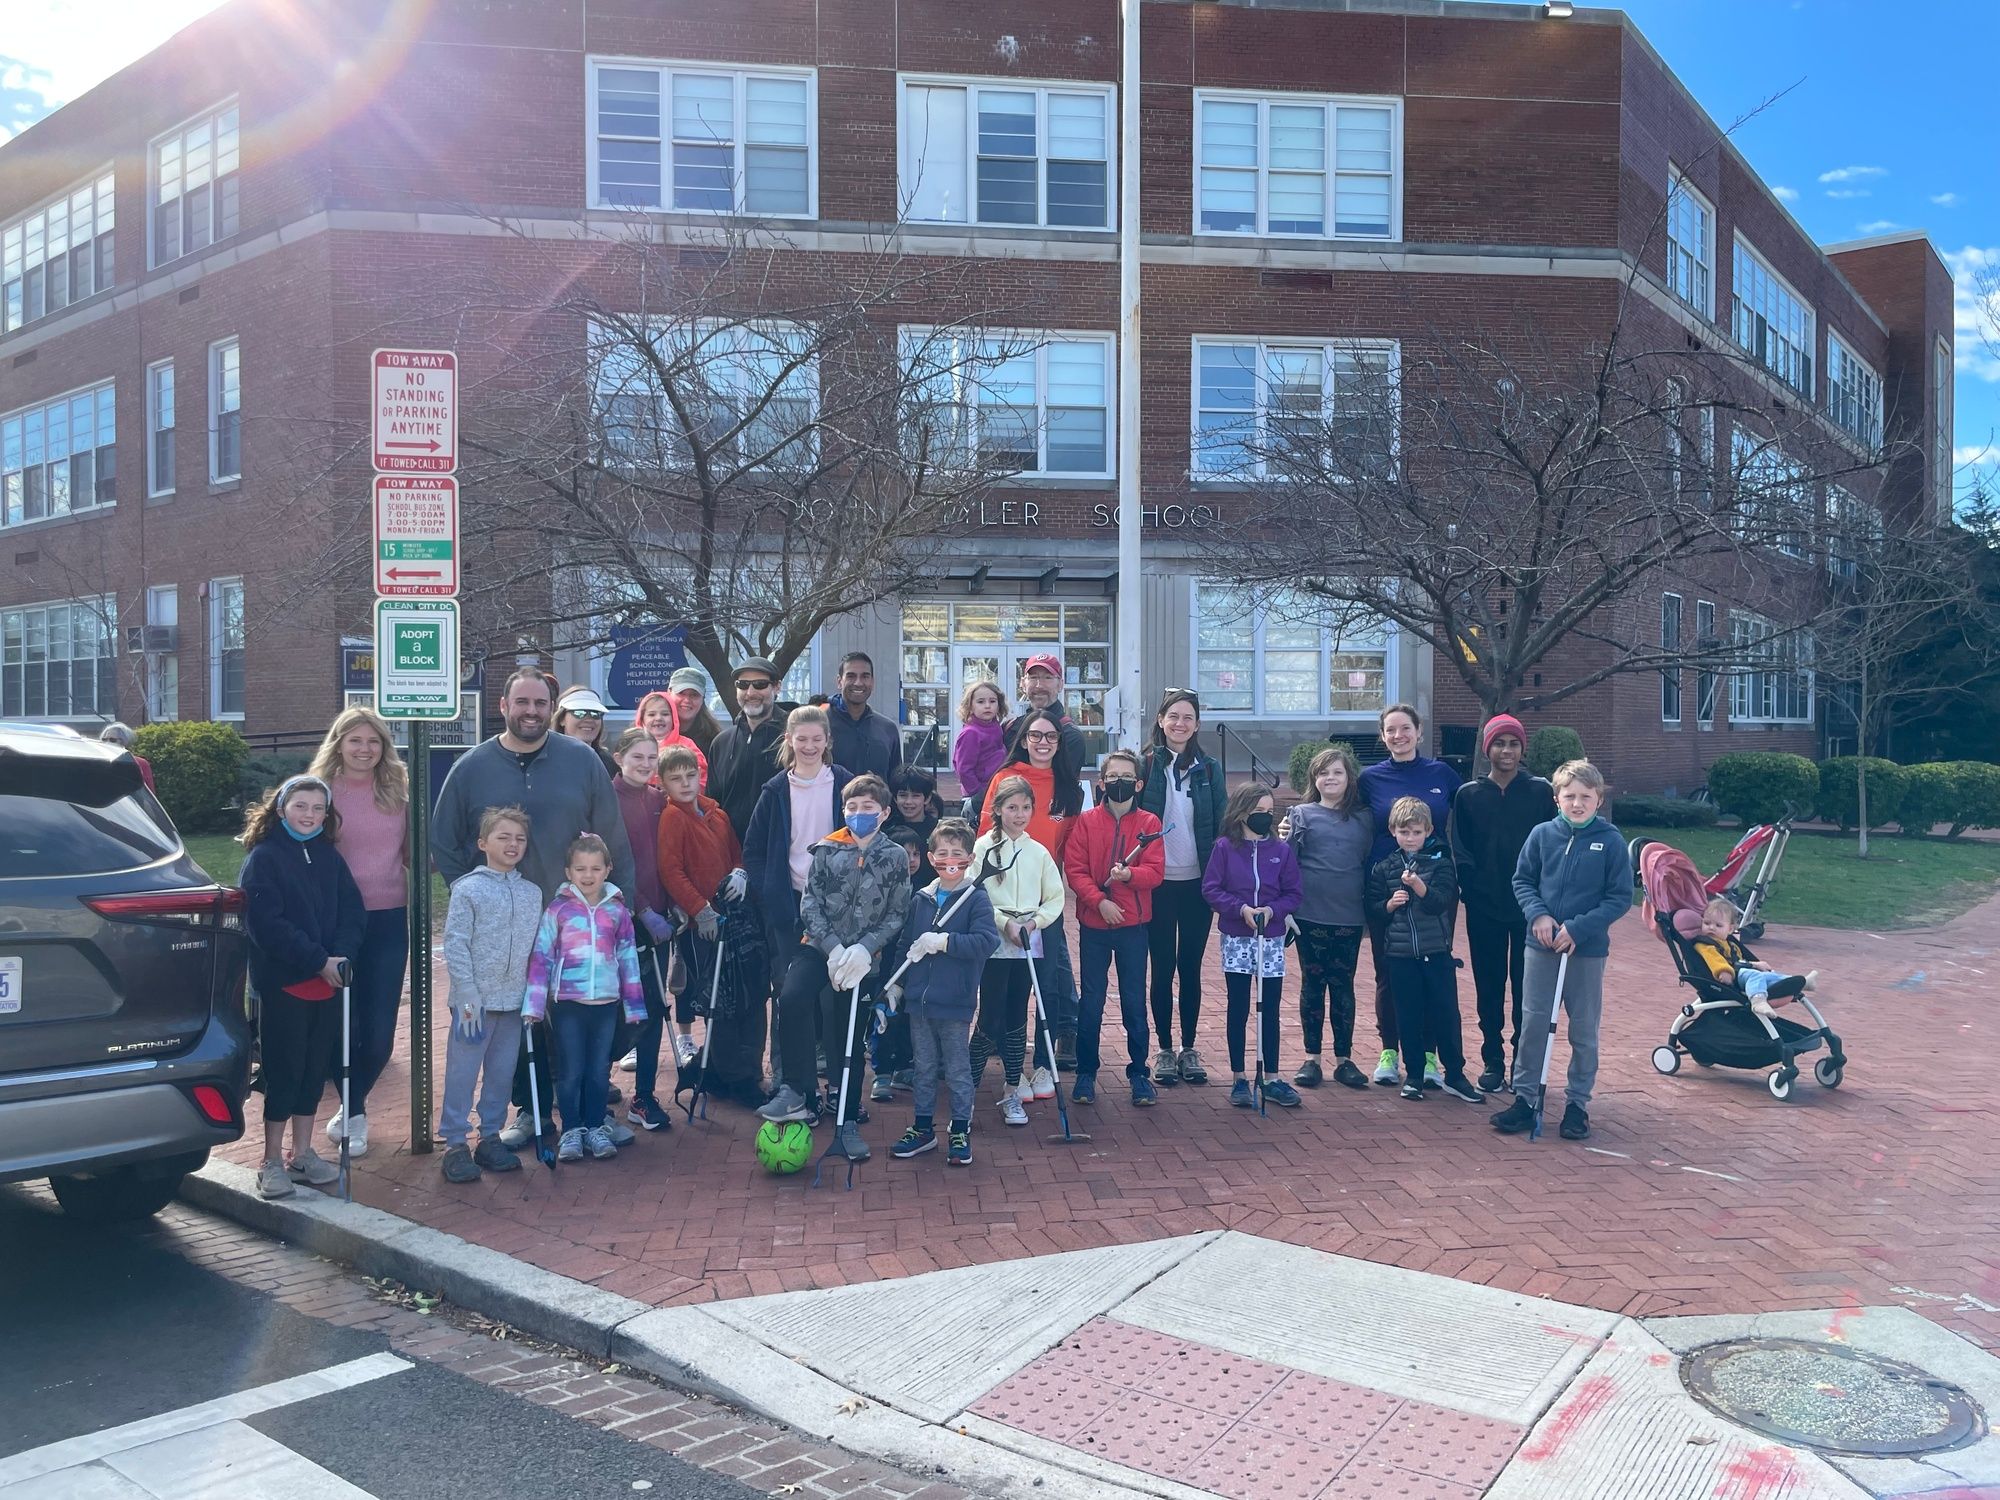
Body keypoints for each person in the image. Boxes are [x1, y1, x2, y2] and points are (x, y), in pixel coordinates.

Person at [431, 668, 635, 1145]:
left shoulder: (581, 761)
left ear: (552, 709)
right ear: (503, 707)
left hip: (575, 918)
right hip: (506, 927)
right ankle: (529, 1110)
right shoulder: (472, 767)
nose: (531, 711)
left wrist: (621, 902)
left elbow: (612, 837)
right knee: (521, 1020)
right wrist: (481, 895)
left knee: (582, 1017)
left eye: (540, 704)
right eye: (521, 702)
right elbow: (444, 839)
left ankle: (589, 1114)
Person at [758, 774, 909, 1163]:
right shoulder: (827, 849)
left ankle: (846, 1117)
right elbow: (810, 905)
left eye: (868, 808)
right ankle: (798, 1089)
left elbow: (897, 913)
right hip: (820, 949)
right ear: (843, 811)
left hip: (864, 962)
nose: (860, 814)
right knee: (792, 999)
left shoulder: (894, 856)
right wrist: (834, 947)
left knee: (847, 1037)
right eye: (853, 808)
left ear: (885, 812)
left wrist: (863, 948)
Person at [1494, 760, 1633, 1142]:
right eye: (1569, 796)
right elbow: (1523, 880)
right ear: (1557, 799)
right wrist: (1538, 916)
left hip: (1586, 951)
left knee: (1583, 1029)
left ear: (1598, 799)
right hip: (1540, 946)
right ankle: (1525, 1098)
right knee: (1534, 1023)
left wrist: (1579, 928)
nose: (1577, 804)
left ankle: (1577, 1105)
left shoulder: (1611, 841)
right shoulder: (1542, 835)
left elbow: (1620, 897)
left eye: (1585, 797)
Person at [240, 775, 364, 1200]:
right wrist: (317, 960)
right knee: (283, 1071)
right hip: (286, 984)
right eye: (300, 806)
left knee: (314, 1070)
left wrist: (341, 956)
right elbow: (267, 926)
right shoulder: (265, 858)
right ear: (281, 809)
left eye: (318, 809)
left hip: (328, 984)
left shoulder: (329, 857)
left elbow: (352, 910)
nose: (309, 815)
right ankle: (271, 1159)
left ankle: (303, 1152)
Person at [309, 706, 411, 1161]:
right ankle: (355, 1112)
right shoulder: (321, 795)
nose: (365, 749)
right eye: (355, 741)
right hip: (337, 923)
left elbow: (416, 853)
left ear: (384, 748)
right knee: (341, 1024)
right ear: (339, 744)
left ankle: (351, 1107)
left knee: (380, 1030)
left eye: (373, 742)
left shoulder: (398, 793)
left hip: (389, 918)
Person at [975, 705, 1083, 1092]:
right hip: (1004, 902)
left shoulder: (1070, 788)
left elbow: (1068, 848)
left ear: (1059, 742)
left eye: (1050, 736)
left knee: (1047, 985)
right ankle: (1011, 1069)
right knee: (1009, 987)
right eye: (1035, 735)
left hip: (1043, 907)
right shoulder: (1005, 777)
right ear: (1023, 740)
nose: (1042, 743)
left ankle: (1041, 1063)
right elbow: (985, 839)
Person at [743, 704, 850, 1089]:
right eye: (801, 739)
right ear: (789, 741)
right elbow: (754, 850)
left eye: (816, 739)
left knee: (834, 997)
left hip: (837, 909)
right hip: (789, 906)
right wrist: (768, 893)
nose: (809, 746)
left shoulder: (844, 784)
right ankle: (787, 1080)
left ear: (827, 741)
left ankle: (839, 1083)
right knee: (787, 994)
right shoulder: (774, 791)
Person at [522, 833, 647, 1162]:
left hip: (606, 1005)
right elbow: (541, 959)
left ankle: (595, 1127)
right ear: (568, 872)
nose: (588, 875)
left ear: (608, 869)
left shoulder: (617, 913)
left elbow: (629, 960)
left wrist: (634, 1005)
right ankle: (572, 1131)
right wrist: (534, 1005)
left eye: (595, 868)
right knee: (570, 1071)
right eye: (580, 869)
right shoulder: (558, 910)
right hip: (567, 1006)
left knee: (597, 1073)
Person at [1357, 703, 1462, 1088]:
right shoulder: (1370, 779)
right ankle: (1390, 1051)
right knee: (1388, 971)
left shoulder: (1442, 774)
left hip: (1434, 887)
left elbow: (1465, 820)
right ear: (1382, 736)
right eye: (1390, 730)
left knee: (1434, 972)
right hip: (1387, 886)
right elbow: (1340, 815)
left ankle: (1430, 1057)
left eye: (1405, 729)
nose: (1398, 736)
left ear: (1419, 732)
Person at [1452, 714, 1556, 1093]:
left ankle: (1520, 1061)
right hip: (1484, 908)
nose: (1506, 750)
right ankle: (1492, 1059)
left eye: (1513, 743)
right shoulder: (1469, 795)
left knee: (1526, 988)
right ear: (1487, 749)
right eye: (1499, 743)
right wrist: (1471, 888)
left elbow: (1553, 846)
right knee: (1489, 985)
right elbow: (1459, 849)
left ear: (1522, 749)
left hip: (1530, 909)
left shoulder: (1541, 793)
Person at [437, 806, 542, 1183]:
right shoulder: (467, 889)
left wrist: (534, 996)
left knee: (500, 1074)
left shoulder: (532, 893)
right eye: (503, 837)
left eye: (520, 838)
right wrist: (466, 992)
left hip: (513, 1004)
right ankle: (454, 1143)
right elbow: (456, 943)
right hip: (474, 1004)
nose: (513, 844)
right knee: (463, 1073)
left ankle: (490, 1136)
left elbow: (535, 949)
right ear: (483, 843)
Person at [889, 819, 1000, 1167]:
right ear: (930, 856)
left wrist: (944, 942)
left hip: (954, 1002)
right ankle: (922, 1128)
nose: (949, 858)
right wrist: (896, 983)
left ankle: (960, 1129)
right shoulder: (920, 899)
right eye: (942, 852)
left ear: (969, 858)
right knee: (922, 1067)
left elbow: (986, 941)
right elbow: (906, 944)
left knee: (956, 1068)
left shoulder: (975, 899)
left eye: (957, 853)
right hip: (919, 1002)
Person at [1063, 750, 1165, 1108]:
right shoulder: (1086, 822)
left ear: (1138, 784)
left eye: (1127, 777)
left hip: (1133, 927)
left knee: (1135, 1001)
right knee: (1091, 1002)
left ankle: (1139, 1072)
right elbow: (1074, 870)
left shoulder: (1150, 822)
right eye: (1113, 776)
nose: (1119, 783)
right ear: (1102, 782)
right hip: (1094, 925)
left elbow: (1155, 871)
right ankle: (1086, 1071)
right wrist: (1099, 902)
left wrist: (1130, 876)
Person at [1366, 797, 1483, 1106]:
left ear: (1429, 831)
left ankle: (1455, 1074)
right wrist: (1389, 904)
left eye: (1417, 832)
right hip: (1401, 956)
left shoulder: (1441, 863)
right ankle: (1414, 1075)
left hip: (1437, 953)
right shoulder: (1385, 867)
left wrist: (1419, 886)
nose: (1411, 838)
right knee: (1408, 1015)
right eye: (1404, 832)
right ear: (1393, 831)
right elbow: (1374, 910)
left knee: (1446, 1014)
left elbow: (1440, 902)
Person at [1136, 689, 1225, 1088]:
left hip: (1196, 883)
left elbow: (1223, 823)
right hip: (1157, 882)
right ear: (1160, 719)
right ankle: (1165, 1049)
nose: (1180, 724)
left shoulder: (1210, 768)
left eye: (1188, 717)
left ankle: (1189, 1047)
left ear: (1197, 725)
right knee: (1162, 967)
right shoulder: (1146, 764)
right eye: (1173, 716)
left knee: (1190, 967)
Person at [967, 775, 1065, 1127]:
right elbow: (975, 894)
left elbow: (1055, 897)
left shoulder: (1037, 851)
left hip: (1028, 939)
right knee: (990, 1016)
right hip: (995, 939)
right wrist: (1002, 923)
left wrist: (1035, 922)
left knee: (1016, 1017)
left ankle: (1012, 1091)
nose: (1020, 814)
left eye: (1026, 807)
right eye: (1012, 807)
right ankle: (968, 1094)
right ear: (998, 810)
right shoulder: (982, 849)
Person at [1202, 784, 1304, 1109]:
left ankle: (1271, 1076)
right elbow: (1211, 888)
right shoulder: (1224, 848)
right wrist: (1240, 909)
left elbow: (1294, 892)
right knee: (1239, 1006)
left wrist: (1273, 911)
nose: (1264, 817)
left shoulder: (1281, 850)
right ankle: (1238, 1077)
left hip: (1270, 937)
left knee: (1269, 1007)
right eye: (1258, 811)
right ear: (1242, 811)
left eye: (1268, 811)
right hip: (1237, 936)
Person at [1285, 744, 1374, 1091]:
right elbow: (1288, 865)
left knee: (1343, 986)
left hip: (1349, 917)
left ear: (1349, 777)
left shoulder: (1365, 818)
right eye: (1324, 772)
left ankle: (1343, 1059)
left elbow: (1368, 862)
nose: (1331, 778)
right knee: (1312, 984)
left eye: (1337, 772)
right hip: (1310, 917)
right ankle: (1312, 1058)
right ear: (1314, 779)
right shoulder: (1300, 815)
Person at [656, 740, 745, 1079]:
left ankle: (719, 1048)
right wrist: (699, 909)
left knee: (722, 983)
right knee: (697, 983)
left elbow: (736, 851)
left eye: (690, 775)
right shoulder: (672, 818)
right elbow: (671, 870)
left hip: (728, 916)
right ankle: (690, 1042)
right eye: (676, 778)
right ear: (663, 782)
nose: (685, 783)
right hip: (699, 922)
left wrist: (740, 870)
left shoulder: (716, 814)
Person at [608, 728, 678, 1133]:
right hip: (618, 923)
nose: (646, 765)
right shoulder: (606, 802)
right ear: (619, 757)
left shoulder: (659, 801)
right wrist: (642, 909)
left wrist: (670, 908)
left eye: (652, 758)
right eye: (638, 757)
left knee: (653, 1009)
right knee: (612, 1011)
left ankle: (645, 1095)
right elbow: (611, 864)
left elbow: (668, 859)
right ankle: (597, 1086)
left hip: (658, 926)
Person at [708, 657, 795, 841]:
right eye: (743, 685)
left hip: (780, 851)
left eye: (760, 684)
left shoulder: (794, 740)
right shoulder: (720, 744)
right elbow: (712, 806)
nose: (751, 692)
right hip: (730, 854)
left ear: (777, 687)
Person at [1693, 897, 1817, 1011]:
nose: (1711, 928)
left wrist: (1755, 964)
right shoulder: (1706, 945)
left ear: (1730, 929)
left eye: (1718, 925)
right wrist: (1723, 971)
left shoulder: (1730, 944)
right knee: (1755, 976)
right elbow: (1714, 960)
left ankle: (1802, 983)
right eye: (1707, 923)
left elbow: (1738, 962)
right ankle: (1758, 1000)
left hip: (1740, 973)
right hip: (1729, 978)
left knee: (1770, 976)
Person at [826, 652, 903, 784]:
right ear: (839, 681)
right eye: (851, 676)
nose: (858, 682)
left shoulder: (887, 729)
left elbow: (896, 782)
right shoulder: (819, 725)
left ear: (872, 682)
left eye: (865, 676)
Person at [1002, 654, 1086, 767]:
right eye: (1033, 677)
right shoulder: (1009, 729)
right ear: (1022, 684)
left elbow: (1061, 782)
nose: (1039, 685)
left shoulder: (1070, 735)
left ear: (1060, 684)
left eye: (1047, 677)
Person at [951, 679, 1011, 816]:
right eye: (981, 702)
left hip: (996, 790)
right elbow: (964, 769)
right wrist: (978, 794)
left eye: (992, 701)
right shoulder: (970, 733)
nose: (987, 706)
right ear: (970, 706)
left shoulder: (996, 727)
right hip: (977, 797)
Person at [636, 689, 709, 787]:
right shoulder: (634, 746)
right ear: (642, 719)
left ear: (674, 717)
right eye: (651, 714)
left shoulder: (687, 745)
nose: (658, 718)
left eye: (665, 714)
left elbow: (702, 778)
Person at [887, 766, 946, 887]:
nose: (909, 802)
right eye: (903, 795)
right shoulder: (887, 830)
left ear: (927, 798)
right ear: (895, 798)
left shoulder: (939, 830)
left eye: (915, 796)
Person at [554, 685, 618, 778]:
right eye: (579, 713)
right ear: (561, 719)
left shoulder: (608, 763)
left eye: (595, 713)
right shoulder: (546, 760)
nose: (589, 719)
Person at [668, 666, 724, 754]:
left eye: (694, 695)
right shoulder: (655, 732)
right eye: (681, 693)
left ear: (703, 698)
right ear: (669, 692)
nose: (687, 700)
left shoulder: (715, 740)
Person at [99, 722, 155, 791]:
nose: (107, 743)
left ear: (125, 741)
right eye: (104, 740)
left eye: (112, 740)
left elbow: (149, 792)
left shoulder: (140, 763)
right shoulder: (97, 761)